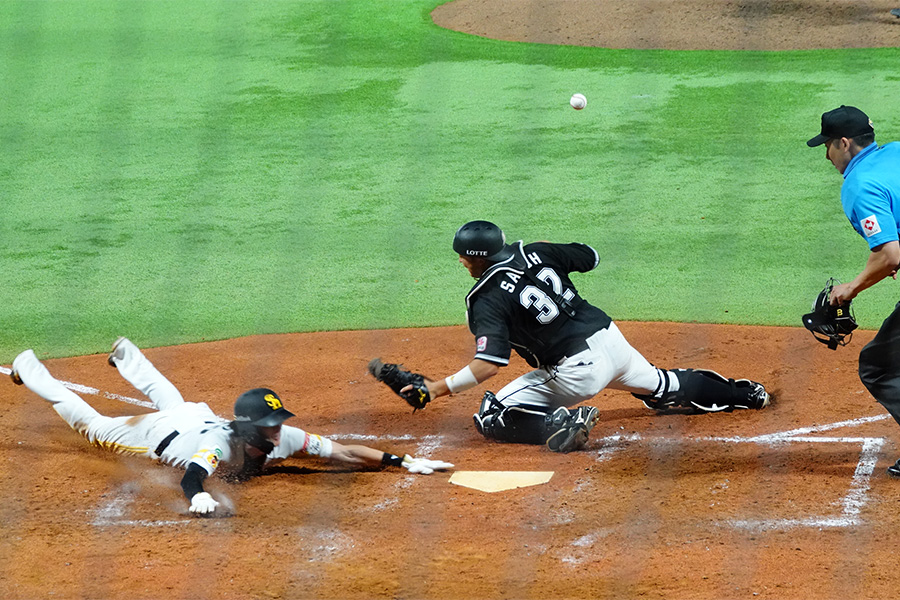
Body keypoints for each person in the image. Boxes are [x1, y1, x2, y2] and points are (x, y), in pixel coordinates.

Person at [393, 220, 769, 453]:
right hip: (612, 340)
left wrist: (436, 388)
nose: (461, 262)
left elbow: (490, 364)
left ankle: (561, 423)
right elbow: (589, 256)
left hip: (576, 370)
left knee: (492, 414)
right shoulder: (535, 251)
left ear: (479, 259)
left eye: (464, 257)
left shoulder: (486, 298)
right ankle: (746, 393)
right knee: (662, 384)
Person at [9, 337, 453, 516]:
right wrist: (198, 497)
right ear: (249, 427)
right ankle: (30, 371)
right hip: (153, 435)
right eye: (269, 426)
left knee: (176, 400)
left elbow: (343, 452)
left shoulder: (282, 436)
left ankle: (126, 354)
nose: (278, 432)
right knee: (91, 424)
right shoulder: (221, 445)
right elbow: (192, 474)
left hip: (189, 419)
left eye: (278, 423)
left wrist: (403, 460)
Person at [807, 105, 900, 476]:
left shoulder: (859, 185)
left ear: (844, 143)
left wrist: (851, 288)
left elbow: (889, 254)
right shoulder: (895, 151)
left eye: (827, 146)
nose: (827, 155)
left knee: (879, 366)